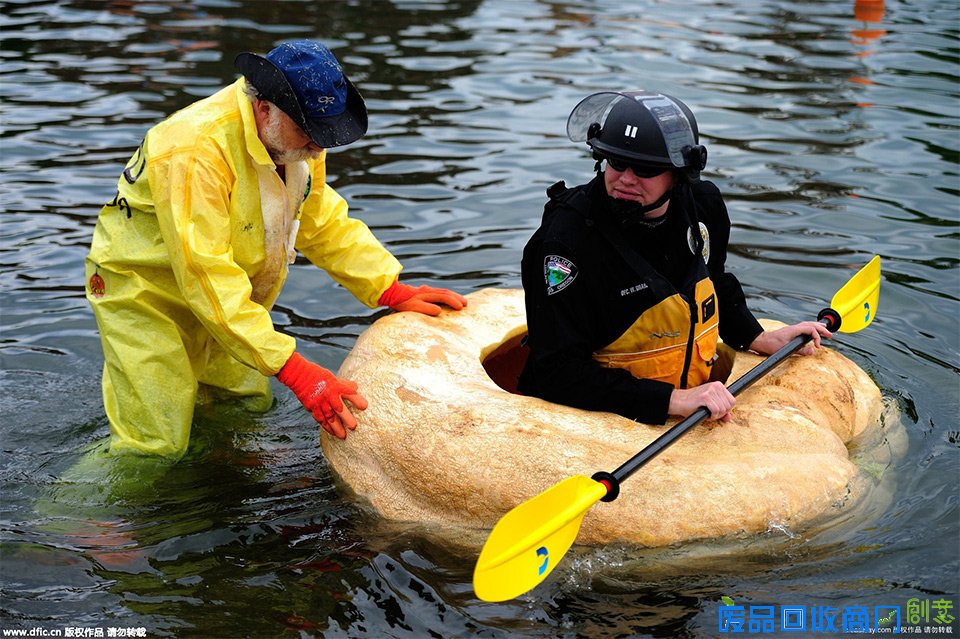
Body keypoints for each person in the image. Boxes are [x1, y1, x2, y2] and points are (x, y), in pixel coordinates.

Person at [85, 40, 467, 458]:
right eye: (309, 133)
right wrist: (295, 369)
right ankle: (74, 502)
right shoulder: (195, 150)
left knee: (243, 408)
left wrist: (388, 288)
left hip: (231, 291)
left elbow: (319, 219)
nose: (319, 148)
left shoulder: (297, 141)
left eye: (325, 134)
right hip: (147, 292)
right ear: (265, 109)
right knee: (154, 443)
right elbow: (204, 272)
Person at [518, 91, 830, 424]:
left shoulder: (703, 207)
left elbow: (713, 281)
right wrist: (673, 400)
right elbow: (555, 371)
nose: (626, 179)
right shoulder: (566, 241)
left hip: (673, 401)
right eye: (617, 163)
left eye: (645, 169)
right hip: (587, 416)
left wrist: (758, 337)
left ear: (678, 174)